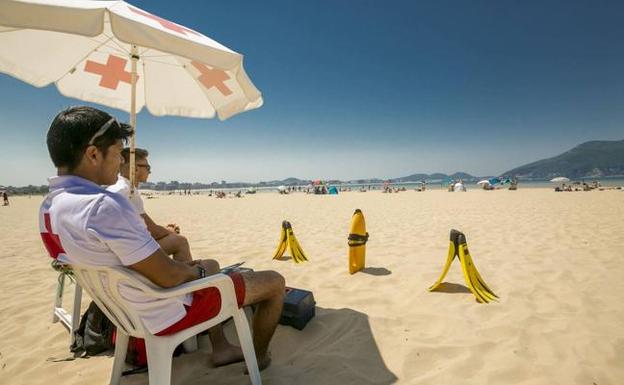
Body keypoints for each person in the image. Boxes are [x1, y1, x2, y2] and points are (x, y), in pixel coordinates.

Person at [39, 106, 284, 370]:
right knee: (273, 282)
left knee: (206, 268)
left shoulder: (50, 206)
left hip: (123, 311)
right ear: (93, 153)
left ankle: (222, 344)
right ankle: (258, 357)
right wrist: (200, 273)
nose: (121, 162)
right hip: (162, 313)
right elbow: (168, 277)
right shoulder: (103, 205)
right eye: (119, 153)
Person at [108, 147, 191, 262]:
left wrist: (165, 230)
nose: (150, 172)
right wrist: (170, 231)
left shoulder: (114, 187)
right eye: (148, 167)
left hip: (116, 251)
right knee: (180, 241)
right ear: (135, 168)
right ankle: (187, 278)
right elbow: (153, 232)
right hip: (127, 255)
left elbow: (145, 227)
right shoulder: (128, 191)